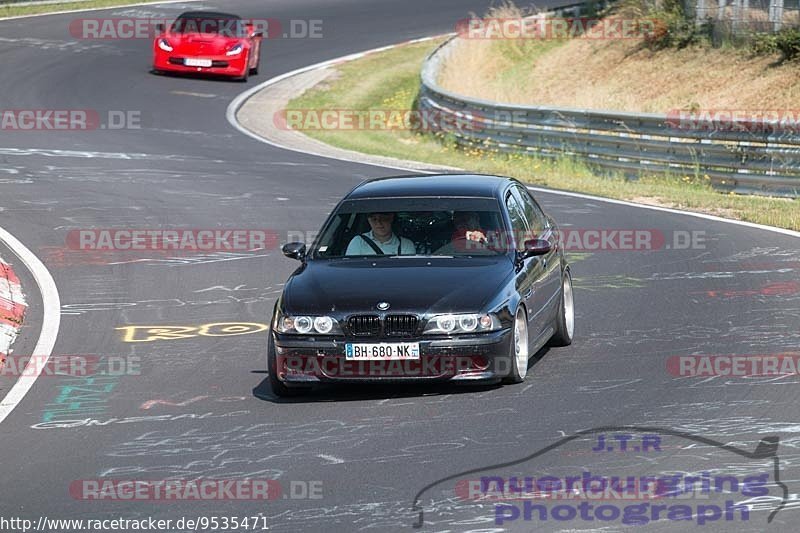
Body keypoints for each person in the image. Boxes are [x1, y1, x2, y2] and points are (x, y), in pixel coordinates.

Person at [345, 212, 415, 256]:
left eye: (383, 219)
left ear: (391, 218)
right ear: (369, 221)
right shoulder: (358, 242)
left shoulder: (406, 245)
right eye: (374, 219)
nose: (379, 223)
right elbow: (351, 271)